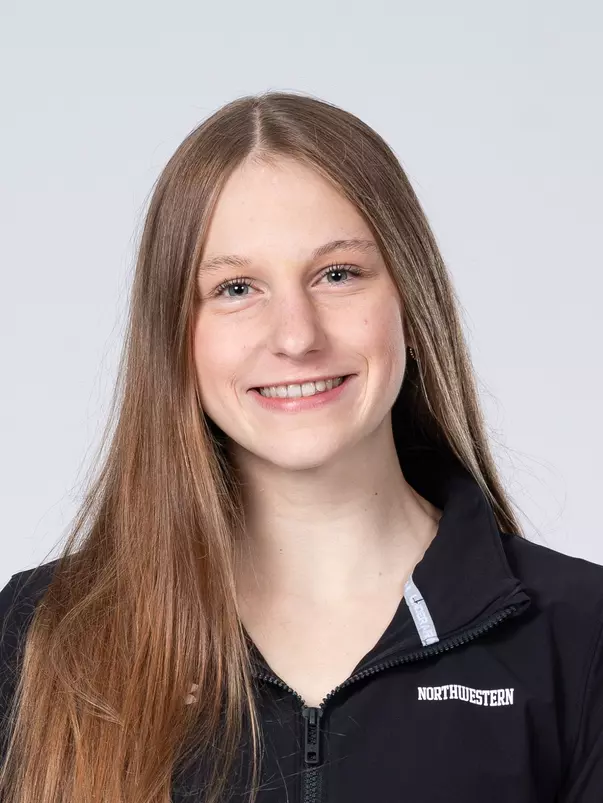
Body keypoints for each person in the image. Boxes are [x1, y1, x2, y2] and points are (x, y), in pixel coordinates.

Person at [1, 91, 602, 803]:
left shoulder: (577, 632)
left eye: (337, 274)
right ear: (174, 333)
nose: (295, 334)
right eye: (235, 287)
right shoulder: (45, 636)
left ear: (409, 298)